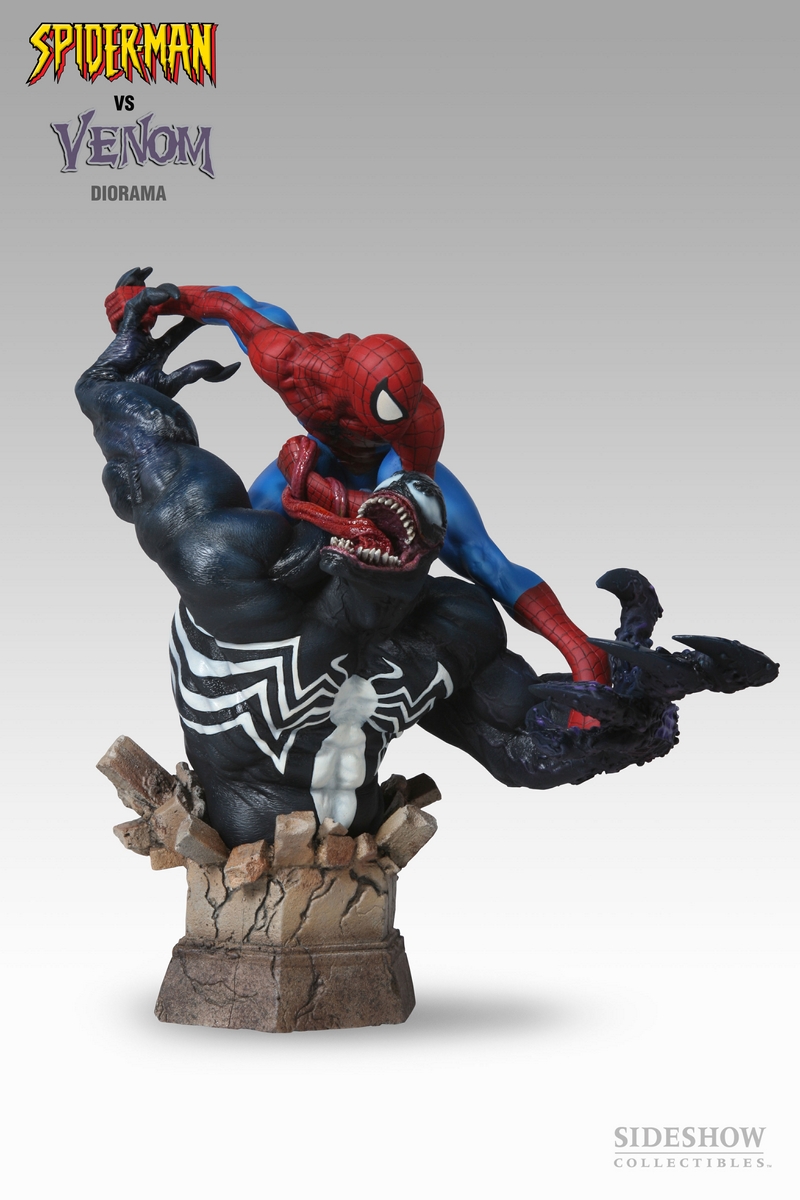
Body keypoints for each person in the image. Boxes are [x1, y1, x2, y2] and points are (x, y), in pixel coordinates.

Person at [78, 284, 777, 847]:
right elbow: (170, 440)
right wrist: (122, 377)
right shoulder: (233, 564)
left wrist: (615, 707)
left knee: (466, 628)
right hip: (253, 806)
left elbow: (523, 734)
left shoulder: (448, 623)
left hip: (323, 811)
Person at [104, 269, 611, 712]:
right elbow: (228, 302)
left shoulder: (418, 424)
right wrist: (150, 301)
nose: (396, 416)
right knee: (246, 537)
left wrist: (314, 489)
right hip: (321, 454)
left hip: (384, 471)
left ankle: (583, 653)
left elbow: (399, 524)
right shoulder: (287, 357)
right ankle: (259, 655)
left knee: (479, 555)